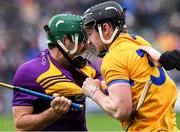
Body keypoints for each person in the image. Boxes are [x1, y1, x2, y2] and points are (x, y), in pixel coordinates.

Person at [82, 1, 179, 131]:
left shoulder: (114, 56)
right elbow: (137, 82)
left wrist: (93, 92)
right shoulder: (138, 41)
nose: (88, 42)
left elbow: (121, 111)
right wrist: (103, 85)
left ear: (105, 28)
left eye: (90, 33)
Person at [12, 14, 101, 131]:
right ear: (66, 40)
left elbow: (108, 88)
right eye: (82, 40)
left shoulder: (86, 66)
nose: (87, 45)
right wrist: (54, 112)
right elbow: (21, 126)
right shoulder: (29, 72)